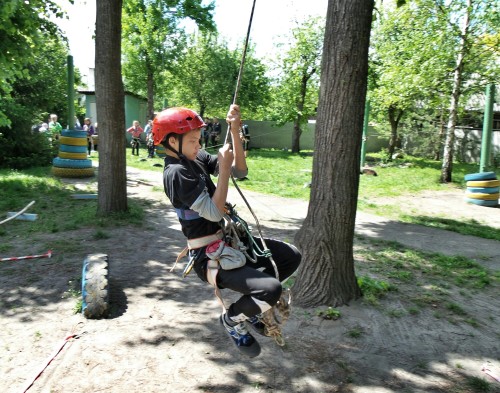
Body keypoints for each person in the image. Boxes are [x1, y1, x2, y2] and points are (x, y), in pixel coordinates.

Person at [155, 105, 301, 358]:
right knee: (270, 289)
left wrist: (235, 129)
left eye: (198, 140)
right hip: (208, 256)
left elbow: (239, 171)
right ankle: (232, 320)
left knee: (291, 256)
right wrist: (222, 169)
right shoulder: (175, 173)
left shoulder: (195, 158)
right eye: (192, 141)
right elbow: (213, 212)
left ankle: (249, 307)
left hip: (230, 243)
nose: (198, 146)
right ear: (171, 141)